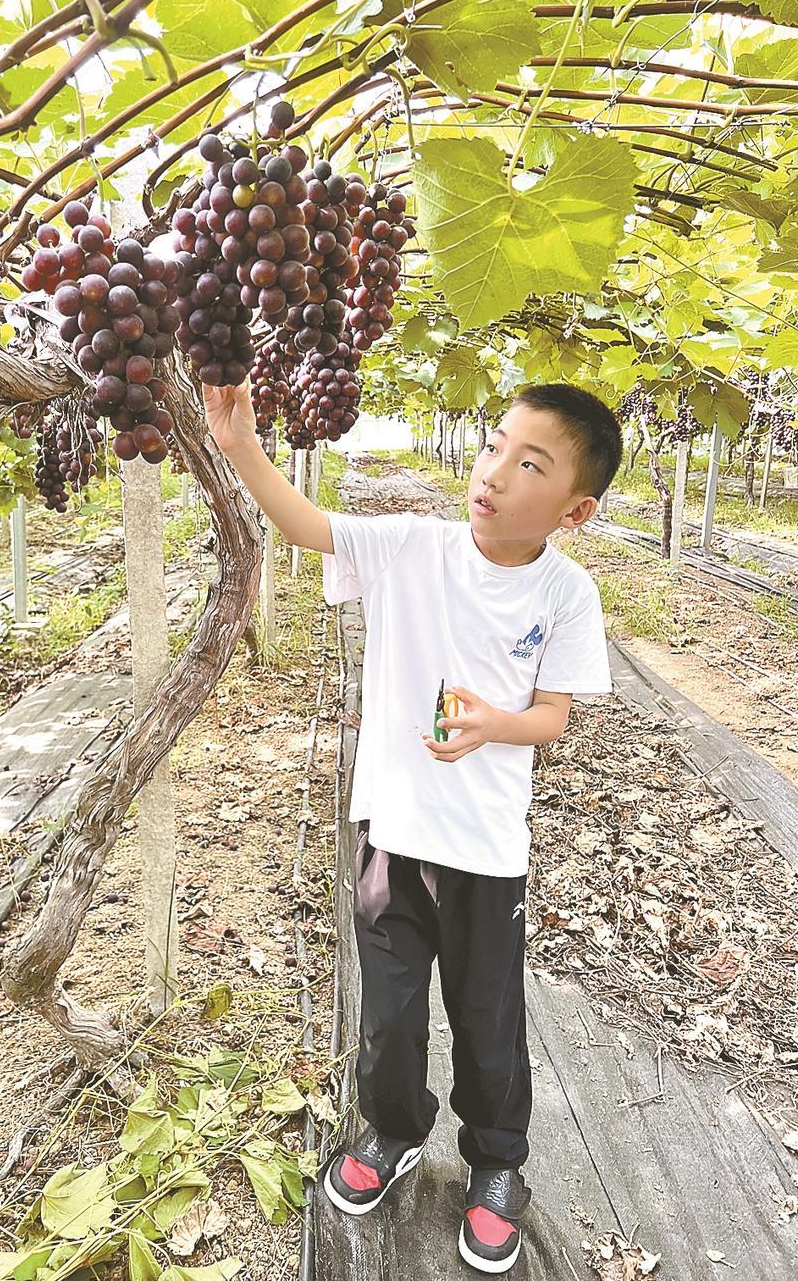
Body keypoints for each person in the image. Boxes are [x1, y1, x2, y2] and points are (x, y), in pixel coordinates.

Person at [203, 378, 621, 1274]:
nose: (496, 473)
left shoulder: (566, 594)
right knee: (389, 1016)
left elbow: (552, 715)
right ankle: (392, 1131)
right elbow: (307, 524)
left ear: (576, 509)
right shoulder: (408, 549)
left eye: (530, 464)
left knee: (490, 1019)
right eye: (495, 445)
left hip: (486, 850)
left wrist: (491, 725)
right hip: (393, 833)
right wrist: (240, 445)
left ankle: (497, 1164)